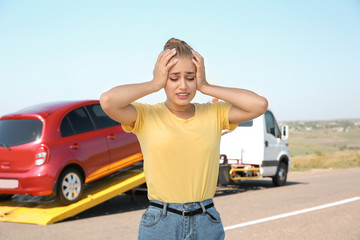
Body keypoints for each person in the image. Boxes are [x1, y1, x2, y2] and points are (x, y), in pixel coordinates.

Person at [100, 38, 268, 240]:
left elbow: (259, 104)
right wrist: (154, 83)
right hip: (160, 222)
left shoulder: (214, 113)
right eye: (173, 78)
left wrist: (206, 86)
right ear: (163, 78)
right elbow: (108, 101)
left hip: (206, 220)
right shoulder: (145, 116)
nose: (183, 86)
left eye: (190, 77)